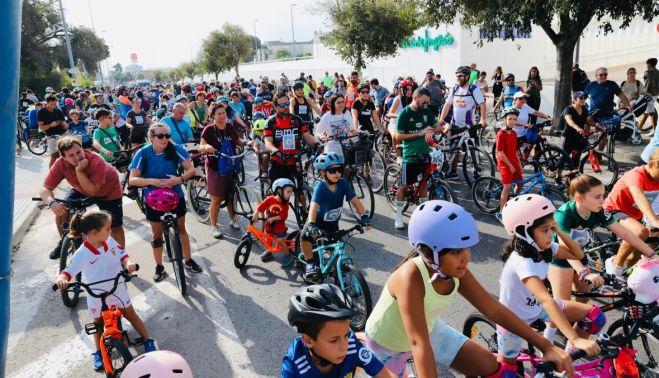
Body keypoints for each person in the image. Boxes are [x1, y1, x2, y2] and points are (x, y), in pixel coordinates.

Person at [365, 200, 574, 378]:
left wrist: (546, 346)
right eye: (456, 251)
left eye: (467, 248)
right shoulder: (409, 276)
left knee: (493, 368)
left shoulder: (453, 269)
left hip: (429, 330)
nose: (467, 257)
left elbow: (492, 308)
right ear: (430, 253)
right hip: (387, 346)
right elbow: (418, 343)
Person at [498, 194, 602, 367]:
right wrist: (575, 338)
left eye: (550, 228)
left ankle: (567, 356)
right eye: (545, 230)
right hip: (514, 320)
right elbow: (545, 299)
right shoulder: (522, 262)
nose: (550, 235)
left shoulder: (544, 247)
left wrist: (558, 230)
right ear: (524, 233)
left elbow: (578, 255)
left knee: (595, 317)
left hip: (536, 308)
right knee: (506, 371)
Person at [55, 210, 156, 370]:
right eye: (107, 229)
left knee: (131, 315)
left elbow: (123, 255)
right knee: (97, 324)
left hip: (117, 289)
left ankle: (148, 339)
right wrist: (62, 279)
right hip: (96, 294)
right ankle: (98, 352)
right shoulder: (82, 254)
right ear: (95, 232)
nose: (110, 231)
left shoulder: (110, 242)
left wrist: (128, 263)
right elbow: (68, 271)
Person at [547, 174, 656, 307]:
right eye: (597, 197)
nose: (603, 201)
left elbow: (626, 234)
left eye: (603, 195)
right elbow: (566, 249)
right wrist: (583, 272)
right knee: (562, 307)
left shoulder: (598, 211)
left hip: (579, 255)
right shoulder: (564, 216)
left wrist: (652, 254)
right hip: (560, 258)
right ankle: (552, 327)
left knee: (583, 299)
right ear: (579, 198)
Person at [128, 123, 202, 281]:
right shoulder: (143, 153)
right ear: (151, 138)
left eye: (167, 136)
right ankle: (159, 266)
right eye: (160, 136)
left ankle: (188, 260)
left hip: (175, 195)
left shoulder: (175, 149)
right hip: (153, 198)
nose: (165, 139)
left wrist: (180, 179)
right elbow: (132, 179)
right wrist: (152, 181)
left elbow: (191, 169)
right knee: (156, 234)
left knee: (181, 228)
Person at [40, 137, 126, 259]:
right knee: (62, 210)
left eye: (79, 152)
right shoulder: (60, 164)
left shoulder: (96, 160)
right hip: (80, 188)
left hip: (108, 191)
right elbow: (44, 189)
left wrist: (79, 171)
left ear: (82, 148)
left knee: (115, 227)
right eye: (71, 155)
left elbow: (92, 191)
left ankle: (121, 259)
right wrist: (51, 202)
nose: (77, 157)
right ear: (63, 158)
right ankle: (64, 240)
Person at [283, 284, 394, 378]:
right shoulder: (294, 365)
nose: (344, 346)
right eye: (334, 340)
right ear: (308, 340)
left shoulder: (352, 344)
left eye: (346, 335)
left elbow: (384, 373)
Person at [299, 152, 371, 281]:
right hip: (317, 221)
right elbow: (314, 206)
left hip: (332, 224)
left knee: (335, 249)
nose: (337, 173)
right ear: (322, 173)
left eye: (339, 170)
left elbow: (355, 201)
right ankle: (310, 263)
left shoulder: (343, 183)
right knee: (305, 237)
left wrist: (364, 216)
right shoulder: (320, 187)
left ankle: (336, 271)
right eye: (332, 171)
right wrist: (311, 224)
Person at [602, 147, 659, 277]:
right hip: (613, 210)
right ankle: (615, 266)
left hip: (635, 215)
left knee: (637, 256)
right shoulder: (636, 174)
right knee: (640, 232)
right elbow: (639, 197)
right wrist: (654, 220)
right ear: (651, 164)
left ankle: (631, 278)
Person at [199, 103, 249, 239]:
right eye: (219, 113)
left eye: (224, 113)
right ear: (213, 116)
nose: (222, 116)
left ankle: (233, 220)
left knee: (231, 195)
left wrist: (247, 143)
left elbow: (237, 140)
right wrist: (207, 147)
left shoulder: (230, 127)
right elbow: (201, 146)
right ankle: (213, 226)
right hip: (215, 167)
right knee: (216, 199)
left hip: (230, 164)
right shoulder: (209, 130)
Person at [393, 87, 440, 229]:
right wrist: (420, 133)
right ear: (415, 98)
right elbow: (398, 137)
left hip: (425, 154)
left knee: (424, 184)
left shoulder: (426, 111)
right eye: (424, 102)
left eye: (427, 103)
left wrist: (434, 129)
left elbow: (438, 127)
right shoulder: (405, 113)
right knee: (404, 186)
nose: (426, 105)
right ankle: (398, 216)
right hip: (410, 156)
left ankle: (424, 216)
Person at [439, 66, 487, 180]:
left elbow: (482, 104)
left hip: (470, 126)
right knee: (454, 150)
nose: (458, 78)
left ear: (467, 76)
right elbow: (447, 105)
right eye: (457, 76)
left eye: (460, 76)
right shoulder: (454, 89)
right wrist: (441, 119)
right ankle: (454, 172)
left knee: (473, 150)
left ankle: (476, 172)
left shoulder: (473, 89)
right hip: (455, 125)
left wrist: (483, 119)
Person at [264, 92, 317, 184]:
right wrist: (276, 151)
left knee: (301, 190)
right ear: (276, 107)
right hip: (279, 162)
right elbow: (268, 142)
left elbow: (307, 135)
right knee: (281, 195)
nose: (286, 106)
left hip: (295, 161)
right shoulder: (271, 122)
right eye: (282, 105)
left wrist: (317, 145)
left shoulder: (297, 120)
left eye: (287, 103)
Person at [252, 178, 295, 266]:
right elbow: (261, 206)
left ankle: (288, 255)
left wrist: (273, 218)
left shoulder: (285, 203)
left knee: (280, 241)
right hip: (269, 225)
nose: (290, 194)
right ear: (279, 191)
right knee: (268, 239)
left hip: (279, 227)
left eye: (291, 192)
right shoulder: (270, 199)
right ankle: (269, 251)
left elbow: (283, 216)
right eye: (288, 191)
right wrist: (256, 214)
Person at [495, 107, 523, 217]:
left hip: (513, 161)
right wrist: (510, 166)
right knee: (507, 187)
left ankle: (512, 202)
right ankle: (501, 212)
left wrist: (519, 163)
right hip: (504, 163)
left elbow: (514, 150)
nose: (512, 121)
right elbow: (500, 152)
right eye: (510, 119)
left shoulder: (514, 134)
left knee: (520, 183)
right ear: (504, 120)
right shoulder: (501, 134)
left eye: (514, 119)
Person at [316, 94, 356, 161]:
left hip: (347, 149)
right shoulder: (327, 116)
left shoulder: (347, 113)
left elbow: (352, 130)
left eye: (343, 102)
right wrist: (321, 136)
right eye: (338, 102)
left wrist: (356, 132)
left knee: (348, 170)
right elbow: (317, 132)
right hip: (332, 151)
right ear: (333, 104)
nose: (341, 104)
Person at [559, 91, 589, 169]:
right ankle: (557, 178)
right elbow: (569, 121)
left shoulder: (584, 109)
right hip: (567, 137)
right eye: (581, 98)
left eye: (584, 98)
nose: (583, 100)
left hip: (578, 138)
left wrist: (596, 125)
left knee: (576, 160)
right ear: (574, 100)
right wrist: (578, 128)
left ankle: (573, 177)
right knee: (563, 159)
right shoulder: (568, 109)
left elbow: (588, 121)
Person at [38, 94, 69, 168]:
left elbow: (63, 121)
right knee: (54, 156)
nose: (53, 106)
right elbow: (41, 128)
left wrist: (65, 124)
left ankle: (65, 172)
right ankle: (51, 174)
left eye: (55, 104)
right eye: (51, 104)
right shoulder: (41, 112)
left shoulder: (58, 111)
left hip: (62, 134)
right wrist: (50, 125)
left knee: (67, 154)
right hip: (51, 136)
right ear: (47, 102)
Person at [638, 58, 659, 134]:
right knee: (648, 112)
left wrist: (646, 93)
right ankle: (640, 128)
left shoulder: (647, 72)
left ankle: (654, 130)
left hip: (649, 94)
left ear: (649, 64)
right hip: (655, 94)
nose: (646, 66)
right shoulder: (658, 72)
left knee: (649, 112)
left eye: (647, 64)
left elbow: (647, 84)